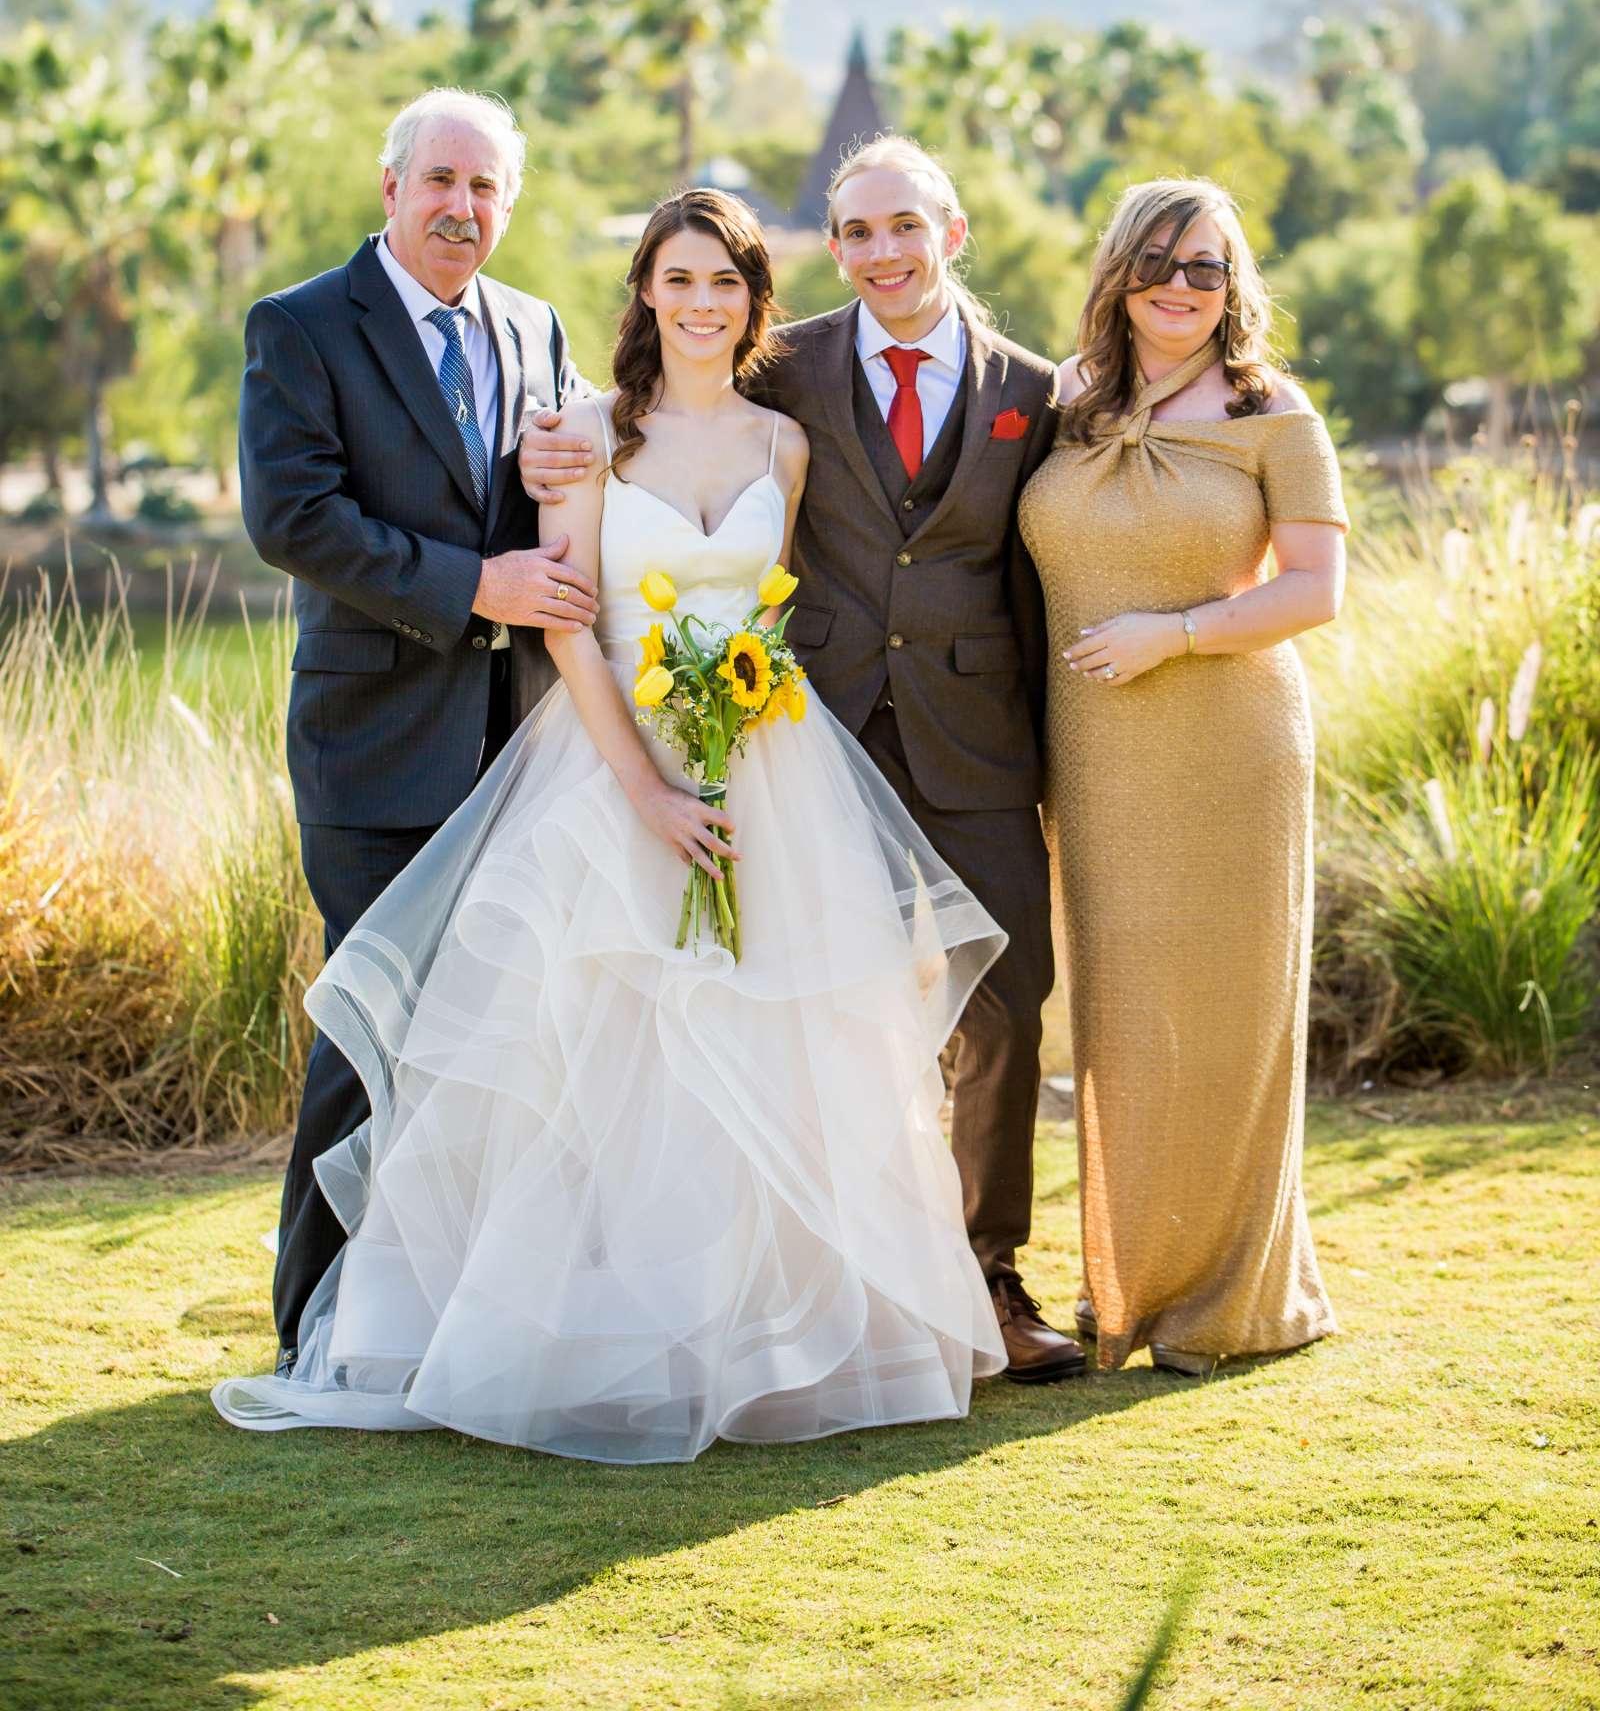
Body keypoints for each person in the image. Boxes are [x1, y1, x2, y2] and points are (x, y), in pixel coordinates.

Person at [214, 190, 1007, 1460]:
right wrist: (642, 781)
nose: (701, 304)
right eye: (678, 280)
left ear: (755, 303)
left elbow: (771, 610)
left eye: (727, 284)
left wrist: (735, 728)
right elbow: (566, 618)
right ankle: (581, 1329)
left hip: (765, 765)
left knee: (774, 1045)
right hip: (605, 765)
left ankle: (758, 1335)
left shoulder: (782, 447)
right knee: (603, 1046)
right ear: (644, 290)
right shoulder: (585, 438)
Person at [523, 138, 1085, 1381]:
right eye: (857, 232)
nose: (882, 252)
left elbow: (1063, 544)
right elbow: (639, 410)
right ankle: (717, 1285)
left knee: (1000, 1004)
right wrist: (542, 444)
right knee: (791, 1012)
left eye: (904, 227)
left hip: (968, 736)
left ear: (950, 229)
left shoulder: (1035, 391)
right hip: (807, 724)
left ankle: (983, 1276)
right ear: (832, 249)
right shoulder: (795, 366)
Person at [237, 87, 597, 1370]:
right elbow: (293, 517)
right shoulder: (301, 327)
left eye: (486, 188)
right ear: (391, 188)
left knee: (487, 1033)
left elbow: (568, 474)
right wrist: (472, 588)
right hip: (373, 745)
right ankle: (315, 1325)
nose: (462, 208)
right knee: (370, 1024)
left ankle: (437, 1309)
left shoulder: (537, 327)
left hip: (515, 748)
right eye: (441, 181)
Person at [1018, 176, 1347, 1374]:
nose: (1179, 285)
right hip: (1095, 757)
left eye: (1206, 266)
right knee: (1120, 1019)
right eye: (1158, 259)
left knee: (1223, 1017)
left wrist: (1175, 632)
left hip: (1229, 747)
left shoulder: (1275, 414)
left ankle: (1228, 1299)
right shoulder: (1063, 402)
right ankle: (1130, 1284)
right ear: (1117, 270)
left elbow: (1315, 589)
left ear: (1234, 285)